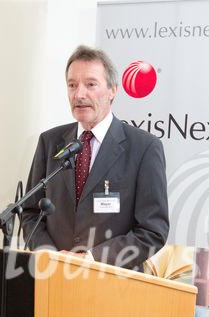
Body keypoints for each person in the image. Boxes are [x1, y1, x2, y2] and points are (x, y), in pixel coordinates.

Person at [22, 45, 169, 270]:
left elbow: (152, 230)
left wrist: (92, 260)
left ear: (112, 90)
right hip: (54, 280)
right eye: (72, 85)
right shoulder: (50, 142)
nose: (79, 94)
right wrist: (51, 256)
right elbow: (30, 213)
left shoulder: (144, 148)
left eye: (91, 84)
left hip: (113, 284)